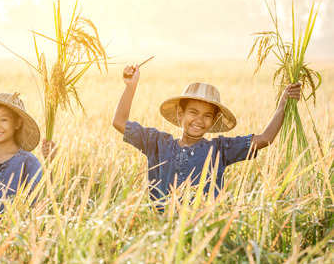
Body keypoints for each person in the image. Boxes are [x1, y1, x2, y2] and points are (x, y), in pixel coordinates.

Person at [112, 64, 301, 209]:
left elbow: (265, 139)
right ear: (180, 114)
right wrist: (131, 85)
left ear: (213, 121)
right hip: (162, 231)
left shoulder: (220, 149)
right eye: (193, 112)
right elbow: (119, 122)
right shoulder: (157, 143)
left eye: (207, 115)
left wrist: (282, 103)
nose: (199, 120)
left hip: (204, 232)